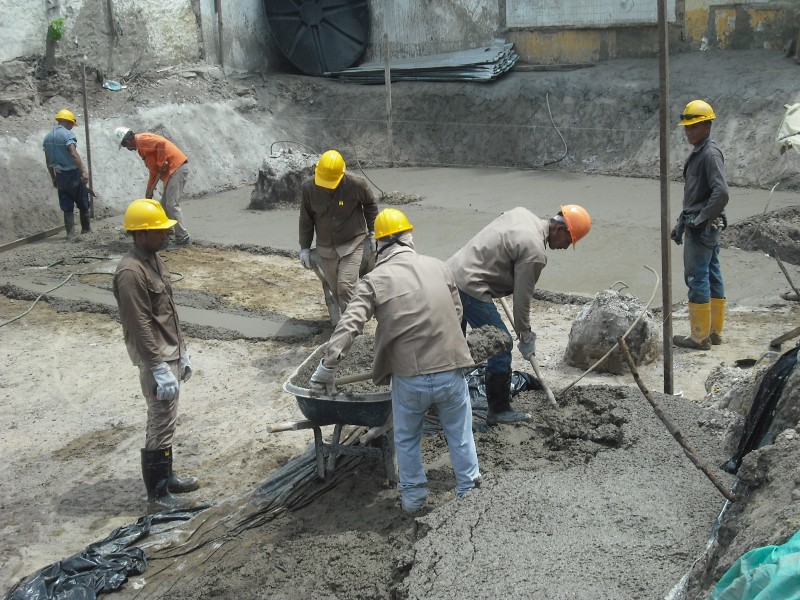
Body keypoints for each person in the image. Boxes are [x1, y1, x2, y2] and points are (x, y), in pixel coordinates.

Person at [310, 208, 481, 514]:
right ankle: (469, 492)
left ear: (377, 245)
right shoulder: (439, 267)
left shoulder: (374, 280)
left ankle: (415, 501)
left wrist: (327, 366)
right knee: (460, 432)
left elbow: (350, 325)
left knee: (407, 438)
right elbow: (456, 315)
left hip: (409, 378)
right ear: (408, 237)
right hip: (451, 371)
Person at [447, 205, 592, 424]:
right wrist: (525, 335)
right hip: (470, 287)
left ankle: (442, 397)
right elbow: (522, 300)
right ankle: (499, 410)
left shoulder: (521, 214)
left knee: (453, 345)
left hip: (450, 274)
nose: (565, 246)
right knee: (502, 345)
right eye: (569, 240)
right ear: (559, 229)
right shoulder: (535, 252)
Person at [113, 198, 199, 513]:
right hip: (156, 359)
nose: (165, 235)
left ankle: (169, 476)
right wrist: (159, 366)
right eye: (159, 231)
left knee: (166, 421)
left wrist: (183, 351)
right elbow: (139, 325)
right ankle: (159, 494)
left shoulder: (153, 259)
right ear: (140, 234)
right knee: (161, 421)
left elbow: (168, 313)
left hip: (169, 353)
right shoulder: (130, 273)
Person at [671, 99, 729, 350]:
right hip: (703, 225)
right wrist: (681, 223)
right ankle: (714, 333)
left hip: (702, 228)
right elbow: (694, 196)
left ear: (707, 125)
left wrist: (700, 219)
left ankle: (699, 336)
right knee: (712, 274)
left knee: (697, 277)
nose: (688, 131)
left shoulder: (709, 154)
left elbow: (722, 193)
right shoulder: (701, 152)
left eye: (693, 127)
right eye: (686, 127)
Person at [298, 149, 379, 310]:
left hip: (352, 243)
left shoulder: (356, 184)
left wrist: (373, 231)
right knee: (336, 290)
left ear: (341, 174)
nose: (328, 188)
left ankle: (355, 330)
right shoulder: (309, 188)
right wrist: (305, 248)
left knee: (345, 288)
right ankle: (352, 318)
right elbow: (306, 219)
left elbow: (370, 205)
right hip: (326, 248)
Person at [114, 127, 192, 246]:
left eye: (125, 146)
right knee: (163, 205)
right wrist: (149, 192)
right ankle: (167, 231)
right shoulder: (141, 148)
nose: (127, 149)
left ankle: (183, 238)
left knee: (172, 204)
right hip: (172, 171)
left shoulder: (142, 140)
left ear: (127, 142)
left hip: (177, 168)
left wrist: (161, 162)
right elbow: (153, 171)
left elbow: (161, 143)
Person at [42, 109, 91, 237]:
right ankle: (86, 230)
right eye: (71, 125)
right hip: (73, 173)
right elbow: (73, 153)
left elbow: (47, 160)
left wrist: (53, 177)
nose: (71, 128)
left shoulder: (47, 138)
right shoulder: (68, 135)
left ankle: (70, 233)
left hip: (59, 175)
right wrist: (84, 171)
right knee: (83, 201)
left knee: (66, 204)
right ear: (68, 122)